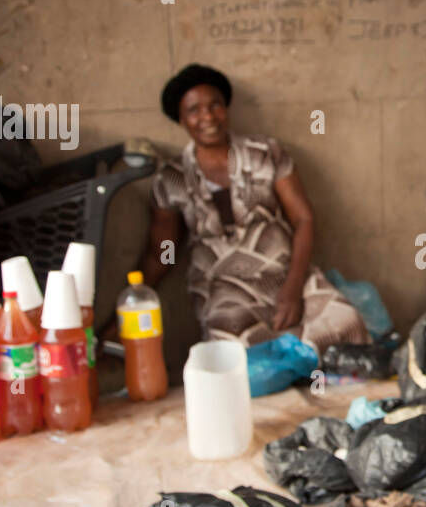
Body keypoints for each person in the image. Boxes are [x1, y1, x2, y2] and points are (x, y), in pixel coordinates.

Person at [141, 64, 369, 351]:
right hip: (223, 290)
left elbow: (304, 219)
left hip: (285, 275)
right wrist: (127, 306)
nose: (208, 116)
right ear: (181, 119)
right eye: (194, 110)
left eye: (216, 105)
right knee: (237, 350)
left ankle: (312, 379)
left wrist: (294, 288)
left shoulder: (265, 153)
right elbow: (161, 253)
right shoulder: (171, 179)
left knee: (346, 322)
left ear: (227, 108)